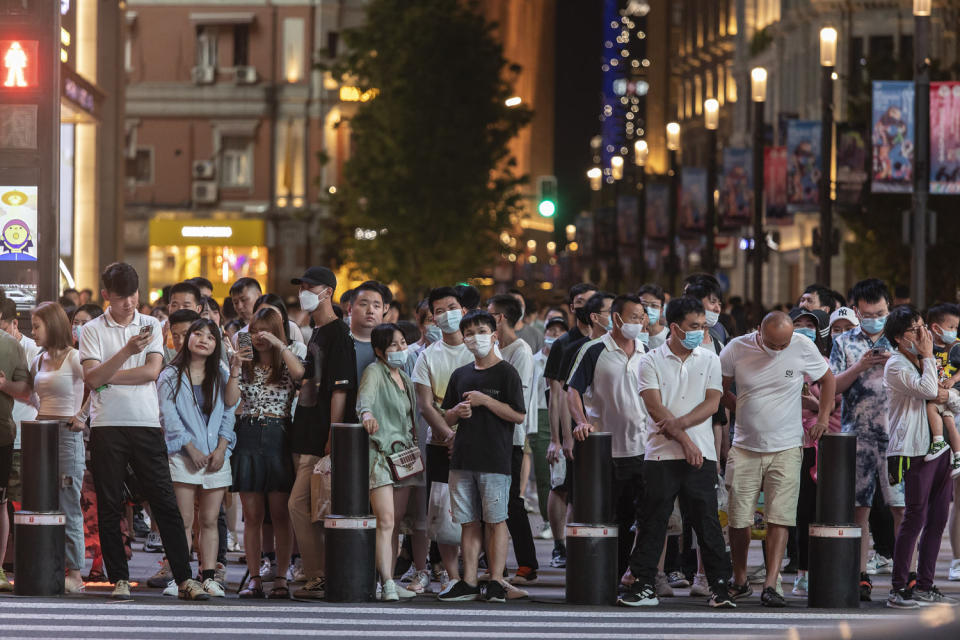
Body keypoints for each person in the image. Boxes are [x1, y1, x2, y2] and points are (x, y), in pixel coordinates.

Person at [79, 262, 208, 600]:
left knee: (164, 501)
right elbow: (90, 380)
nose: (130, 304)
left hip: (146, 423)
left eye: (134, 296)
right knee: (109, 503)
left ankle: (185, 578)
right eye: (122, 298)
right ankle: (119, 578)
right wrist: (125, 353)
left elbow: (151, 372)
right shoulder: (92, 329)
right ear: (107, 295)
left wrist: (107, 374)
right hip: (107, 424)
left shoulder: (151, 323)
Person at [618, 295, 734, 608]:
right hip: (660, 455)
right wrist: (686, 441)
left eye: (702, 325)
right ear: (674, 327)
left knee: (707, 522)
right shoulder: (651, 360)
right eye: (693, 326)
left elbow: (712, 403)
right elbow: (655, 408)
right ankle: (642, 585)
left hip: (702, 455)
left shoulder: (709, 358)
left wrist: (682, 432)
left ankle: (720, 587)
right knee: (653, 521)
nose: (700, 331)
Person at [719, 311, 835, 607]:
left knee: (779, 517)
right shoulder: (737, 348)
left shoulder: (802, 345)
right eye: (773, 344)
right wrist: (740, 406)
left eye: (784, 345)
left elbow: (828, 379)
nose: (779, 350)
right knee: (738, 519)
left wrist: (823, 417)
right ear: (759, 331)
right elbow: (721, 387)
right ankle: (740, 578)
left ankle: (772, 584)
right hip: (745, 446)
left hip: (786, 447)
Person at [438, 310, 526, 603]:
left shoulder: (506, 372)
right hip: (462, 459)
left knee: (496, 520)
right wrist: (456, 413)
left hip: (495, 459)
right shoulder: (460, 374)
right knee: (468, 521)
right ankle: (470, 580)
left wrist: (486, 400)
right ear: (463, 339)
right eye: (470, 333)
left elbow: (518, 415)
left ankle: (498, 579)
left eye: (481, 331)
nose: (475, 337)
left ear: (494, 335)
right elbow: (447, 417)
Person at [828, 278, 901, 601]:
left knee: (901, 507)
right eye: (869, 313)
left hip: (897, 436)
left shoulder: (901, 339)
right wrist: (859, 366)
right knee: (859, 509)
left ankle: (904, 577)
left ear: (889, 309)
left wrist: (895, 363)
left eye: (881, 312)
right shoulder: (844, 342)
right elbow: (833, 387)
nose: (875, 318)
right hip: (855, 436)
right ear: (856, 310)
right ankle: (860, 576)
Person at [568, 293, 649, 578]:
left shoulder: (648, 350)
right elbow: (573, 390)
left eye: (643, 317)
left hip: (643, 447)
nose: (640, 322)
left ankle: (638, 574)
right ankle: (605, 575)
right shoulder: (593, 350)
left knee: (643, 516)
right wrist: (580, 422)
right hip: (605, 451)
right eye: (635, 317)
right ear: (616, 318)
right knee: (610, 517)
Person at [883, 306, 959, 607]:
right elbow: (929, 389)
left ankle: (926, 585)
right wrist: (928, 355)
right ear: (901, 339)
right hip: (915, 450)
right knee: (915, 517)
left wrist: (945, 392)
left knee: (939, 517)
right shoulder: (896, 363)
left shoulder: (922, 360)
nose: (922, 333)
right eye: (915, 330)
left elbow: (949, 396)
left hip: (938, 449)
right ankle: (899, 588)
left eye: (921, 326)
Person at [288, 266, 357, 599]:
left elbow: (340, 390)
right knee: (308, 508)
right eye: (301, 286)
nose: (303, 291)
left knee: (298, 505)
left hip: (321, 438)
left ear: (327, 291)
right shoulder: (316, 332)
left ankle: (319, 574)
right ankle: (317, 572)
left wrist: (333, 436)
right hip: (306, 432)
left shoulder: (337, 335)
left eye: (309, 286)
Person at [158, 318, 239, 598]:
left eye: (211, 337)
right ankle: (182, 577)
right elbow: (168, 417)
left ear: (217, 344)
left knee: (210, 519)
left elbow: (230, 411)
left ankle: (208, 577)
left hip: (216, 455)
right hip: (182, 456)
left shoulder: (223, 373)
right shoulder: (170, 374)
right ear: (188, 338)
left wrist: (222, 448)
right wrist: (189, 449)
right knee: (183, 519)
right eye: (198, 334)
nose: (204, 339)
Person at [231, 307, 304, 598]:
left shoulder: (286, 363)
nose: (258, 336)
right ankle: (255, 578)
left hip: (278, 436)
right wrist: (235, 366)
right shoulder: (243, 364)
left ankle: (281, 578)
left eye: (265, 330)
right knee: (252, 515)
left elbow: (301, 375)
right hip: (247, 433)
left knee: (280, 514)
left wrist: (279, 345)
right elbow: (228, 400)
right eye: (254, 330)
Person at [412, 287, 473, 591]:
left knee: (478, 512)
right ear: (433, 318)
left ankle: (472, 574)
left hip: (477, 445)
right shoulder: (427, 356)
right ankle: (451, 574)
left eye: (451, 307)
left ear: (464, 311)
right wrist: (449, 436)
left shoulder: (481, 348)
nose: (445, 314)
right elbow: (425, 405)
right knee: (444, 512)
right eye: (439, 310)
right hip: (440, 445)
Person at [26, 302, 89, 593]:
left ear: (52, 325)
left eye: (37, 326)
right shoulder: (39, 360)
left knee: (67, 502)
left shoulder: (76, 358)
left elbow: (99, 386)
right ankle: (50, 567)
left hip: (66, 435)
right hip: (40, 433)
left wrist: (81, 417)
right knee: (42, 502)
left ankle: (75, 573)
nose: (33, 331)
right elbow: (33, 394)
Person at [358, 323, 422, 601]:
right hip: (380, 456)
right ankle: (384, 582)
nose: (400, 349)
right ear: (379, 351)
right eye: (393, 345)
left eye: (403, 343)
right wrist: (367, 416)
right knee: (384, 520)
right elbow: (364, 400)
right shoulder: (374, 371)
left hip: (405, 457)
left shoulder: (404, 377)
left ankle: (388, 581)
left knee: (394, 522)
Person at [542, 282, 597, 568]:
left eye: (592, 300)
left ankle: (581, 546)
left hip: (596, 433)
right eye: (580, 301)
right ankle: (560, 545)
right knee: (561, 486)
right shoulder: (564, 344)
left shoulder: (606, 343)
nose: (586, 305)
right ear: (572, 306)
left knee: (586, 492)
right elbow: (556, 396)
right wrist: (557, 437)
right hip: (569, 432)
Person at [788, 307, 841, 597]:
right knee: (798, 511)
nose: (805, 329)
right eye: (799, 324)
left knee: (819, 511)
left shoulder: (823, 363)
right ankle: (801, 571)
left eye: (810, 324)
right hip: (790, 442)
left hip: (822, 444)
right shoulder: (780, 358)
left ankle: (822, 568)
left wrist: (814, 406)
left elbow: (833, 402)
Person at [487, 294, 538, 585]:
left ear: (501, 317)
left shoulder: (521, 351)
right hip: (489, 435)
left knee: (511, 503)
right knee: (491, 502)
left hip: (512, 437)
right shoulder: (494, 348)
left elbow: (513, 396)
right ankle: (496, 565)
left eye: (489, 313)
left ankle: (527, 564)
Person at [0, 304, 30, 592]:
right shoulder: (12, 345)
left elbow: (26, 391)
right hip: (7, 432)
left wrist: (4, 384)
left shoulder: (14, 347)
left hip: (6, 434)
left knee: (3, 502)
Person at [530, 316, 567, 540]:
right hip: (540, 417)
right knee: (546, 474)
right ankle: (547, 522)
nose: (555, 335)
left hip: (565, 416)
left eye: (560, 331)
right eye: (551, 331)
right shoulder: (535, 360)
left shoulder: (570, 356)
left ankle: (563, 529)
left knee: (563, 478)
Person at [924, 304, 960, 470]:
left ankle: (940, 444)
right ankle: (955, 455)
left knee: (936, 410)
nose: (954, 331)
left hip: (951, 391)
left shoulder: (956, 346)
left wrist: (953, 380)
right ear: (936, 328)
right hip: (936, 390)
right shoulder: (926, 346)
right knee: (947, 418)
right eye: (951, 327)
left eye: (956, 327)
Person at [350, 281, 389, 380]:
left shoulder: (391, 344)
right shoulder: (339, 342)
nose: (370, 311)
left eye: (376, 306)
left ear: (384, 309)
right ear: (350, 309)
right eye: (363, 304)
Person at [638, 284, 668, 349]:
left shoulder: (669, 337)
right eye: (644, 305)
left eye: (654, 306)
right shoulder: (630, 334)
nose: (648, 310)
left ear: (661, 311)